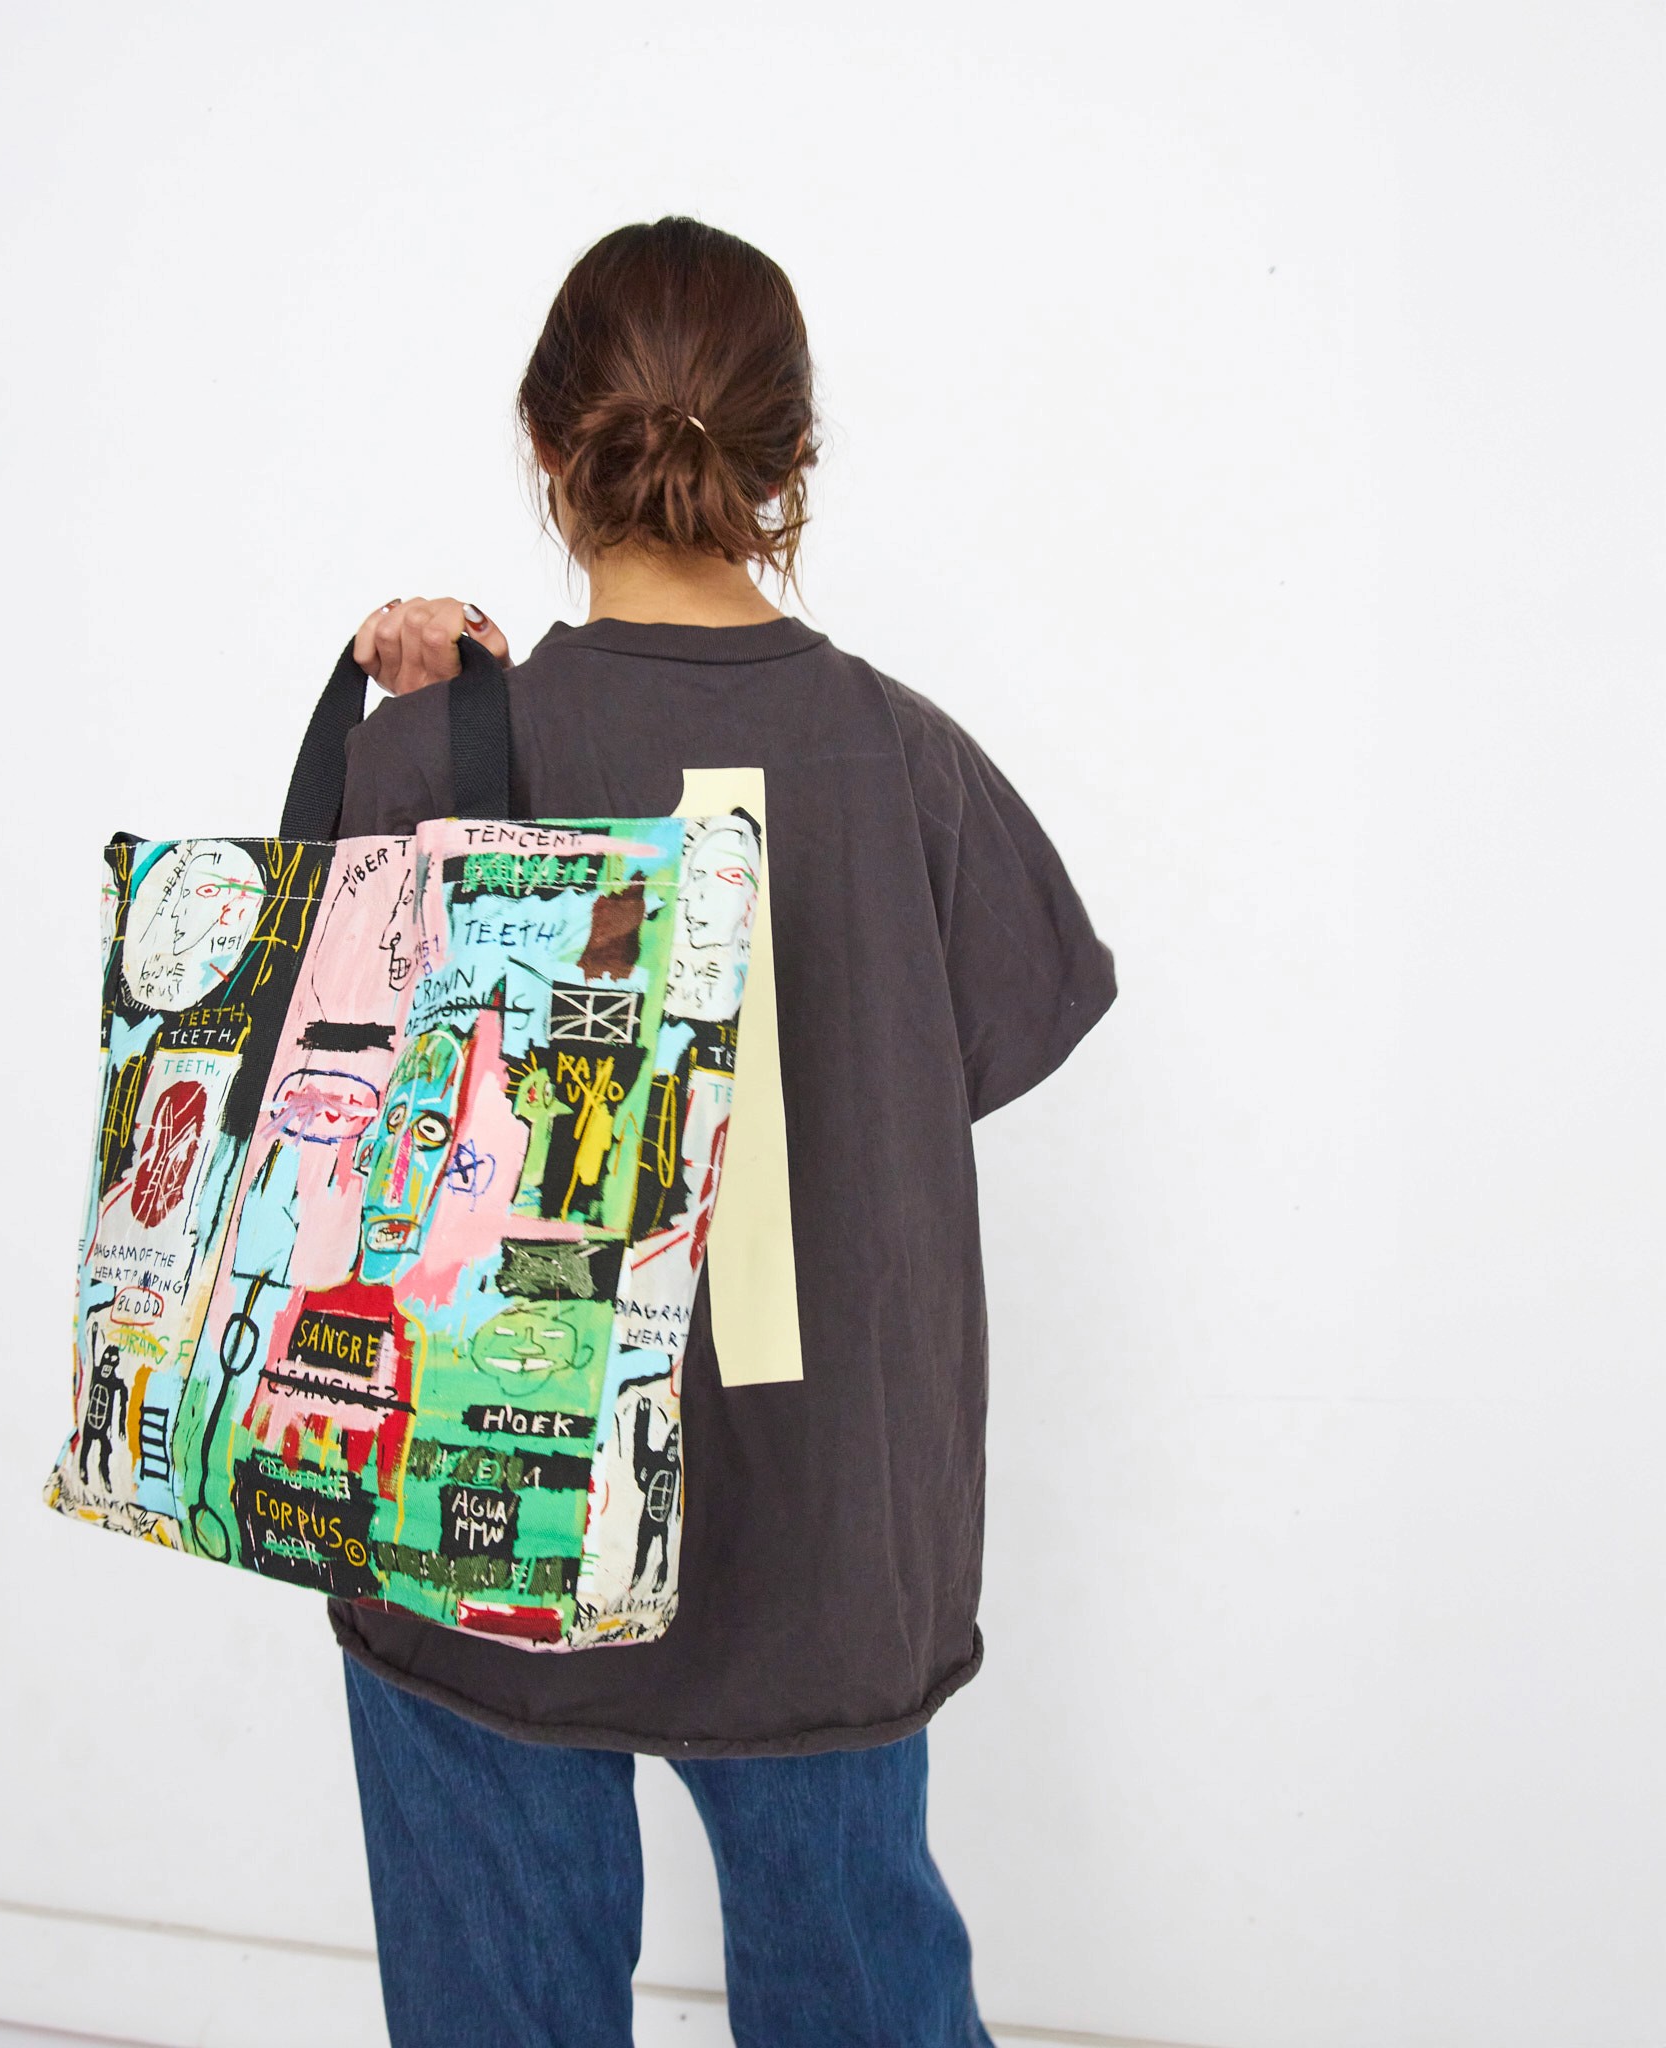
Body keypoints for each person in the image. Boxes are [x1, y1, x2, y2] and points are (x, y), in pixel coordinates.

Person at [329, 217, 1115, 2048]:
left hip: (483, 1503)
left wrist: (443, 737)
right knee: (869, 2000)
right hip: (832, 1525)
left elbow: (321, 1095)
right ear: (792, 464)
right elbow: (958, 1060)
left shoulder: (437, 761)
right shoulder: (914, 762)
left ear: (548, 449)